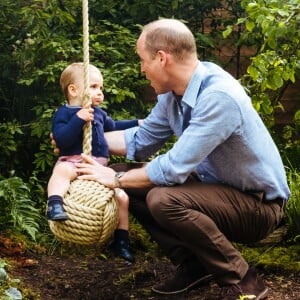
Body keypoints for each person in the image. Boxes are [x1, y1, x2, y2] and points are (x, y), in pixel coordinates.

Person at [55, 19, 290, 299]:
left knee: (161, 198)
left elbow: (173, 168)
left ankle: (243, 280)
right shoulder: (173, 96)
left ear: (161, 58)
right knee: (124, 176)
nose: (142, 69)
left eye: (143, 60)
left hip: (257, 206)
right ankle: (194, 265)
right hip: (214, 190)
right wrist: (75, 142)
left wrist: (116, 179)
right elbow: (139, 141)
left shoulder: (219, 96)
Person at [47, 62, 141, 263]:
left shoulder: (98, 113)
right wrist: (79, 119)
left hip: (99, 168)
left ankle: (121, 241)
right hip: (74, 162)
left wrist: (137, 122)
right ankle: (54, 204)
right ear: (74, 90)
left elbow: (114, 126)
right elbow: (62, 139)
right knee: (62, 171)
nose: (100, 93)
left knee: (122, 197)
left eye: (101, 88)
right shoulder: (64, 114)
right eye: (94, 87)